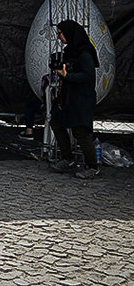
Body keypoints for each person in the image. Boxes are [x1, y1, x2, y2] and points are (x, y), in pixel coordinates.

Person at [48, 20, 100, 179]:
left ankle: (93, 166)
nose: (59, 37)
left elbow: (88, 75)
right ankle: (67, 158)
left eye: (60, 33)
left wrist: (68, 76)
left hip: (82, 97)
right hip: (68, 96)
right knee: (56, 121)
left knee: (80, 130)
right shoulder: (70, 50)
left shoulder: (84, 52)